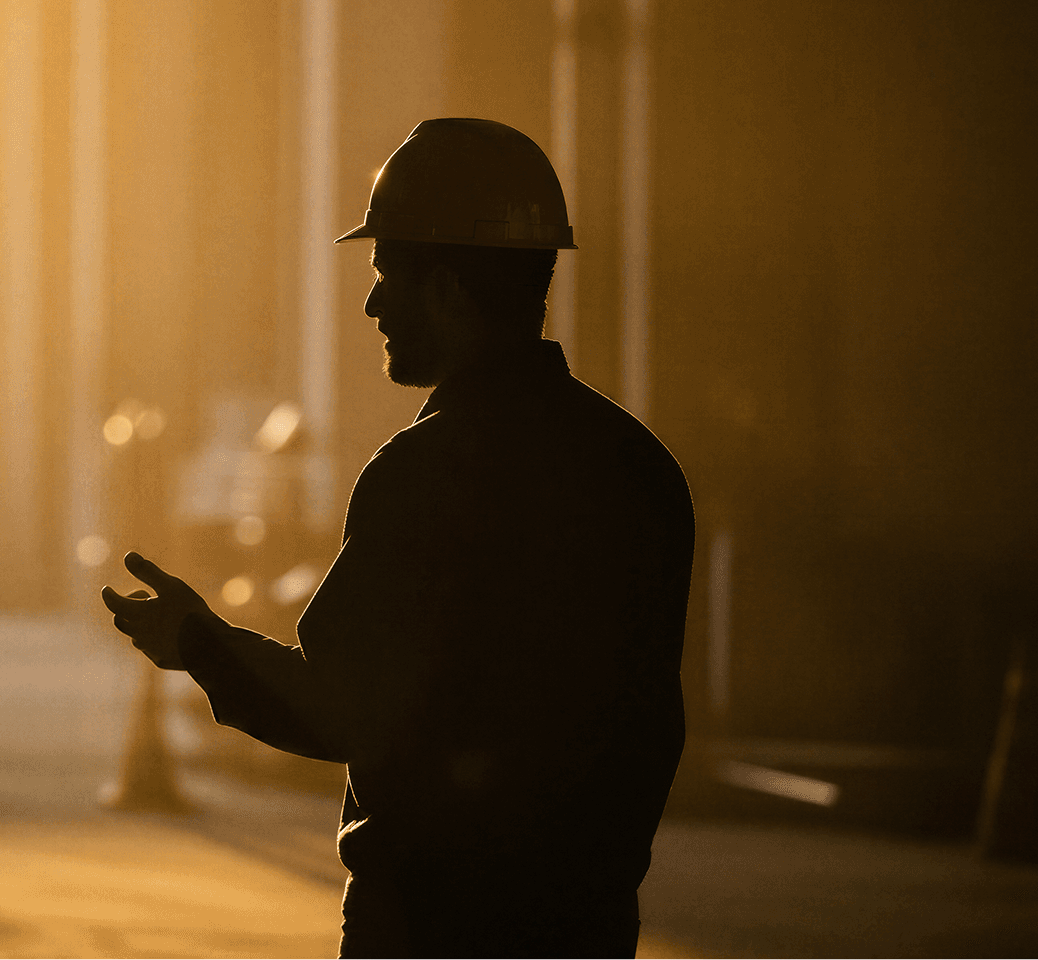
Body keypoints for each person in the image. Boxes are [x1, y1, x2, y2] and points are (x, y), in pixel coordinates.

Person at [102, 119, 693, 959]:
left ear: (448, 288)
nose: (374, 304)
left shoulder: (426, 471)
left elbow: (347, 708)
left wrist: (200, 641)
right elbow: (650, 722)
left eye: (386, 276)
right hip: (588, 926)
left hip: (429, 928)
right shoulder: (644, 472)